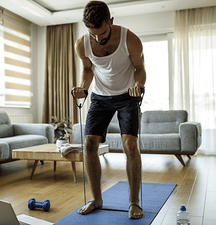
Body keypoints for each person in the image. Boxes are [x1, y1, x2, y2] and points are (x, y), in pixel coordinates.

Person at [72, 0, 146, 219]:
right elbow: (88, 70)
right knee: (89, 144)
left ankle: (134, 202)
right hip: (101, 97)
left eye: (102, 33)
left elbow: (140, 68)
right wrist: (83, 88)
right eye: (92, 34)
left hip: (127, 95)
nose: (98, 38)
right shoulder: (82, 44)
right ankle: (96, 199)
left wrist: (138, 86)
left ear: (111, 22)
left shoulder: (129, 39)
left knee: (130, 145)